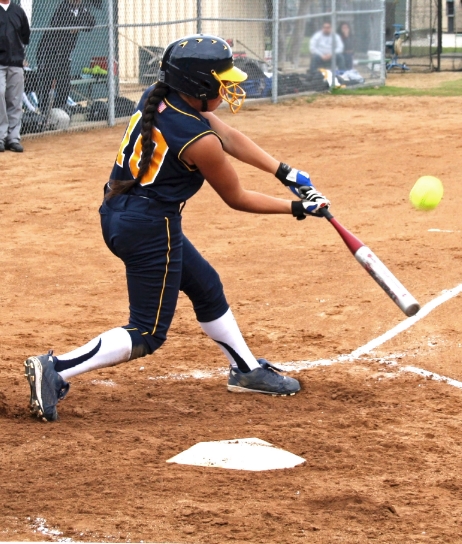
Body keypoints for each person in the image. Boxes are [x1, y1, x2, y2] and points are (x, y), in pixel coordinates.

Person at [24, 34, 331, 422]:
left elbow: (230, 137)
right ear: (199, 85)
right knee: (148, 332)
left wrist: (287, 173)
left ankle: (246, 370)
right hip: (150, 225)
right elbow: (236, 197)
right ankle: (56, 368)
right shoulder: (197, 140)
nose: (230, 85)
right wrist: (298, 207)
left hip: (122, 211)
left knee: (205, 285)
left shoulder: (163, 95)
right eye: (222, 80)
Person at [35, 0, 95, 113]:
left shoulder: (82, 9)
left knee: (64, 86)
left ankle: (58, 111)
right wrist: (78, 24)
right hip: (49, 52)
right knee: (46, 83)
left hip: (64, 54)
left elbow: (91, 24)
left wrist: (77, 25)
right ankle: (43, 113)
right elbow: (65, 24)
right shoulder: (62, 7)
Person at [0, 0, 30, 152]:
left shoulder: (18, 11)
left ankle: (13, 138)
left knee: (15, 100)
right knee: (0, 94)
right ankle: (0, 136)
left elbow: (25, 36)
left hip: (16, 63)